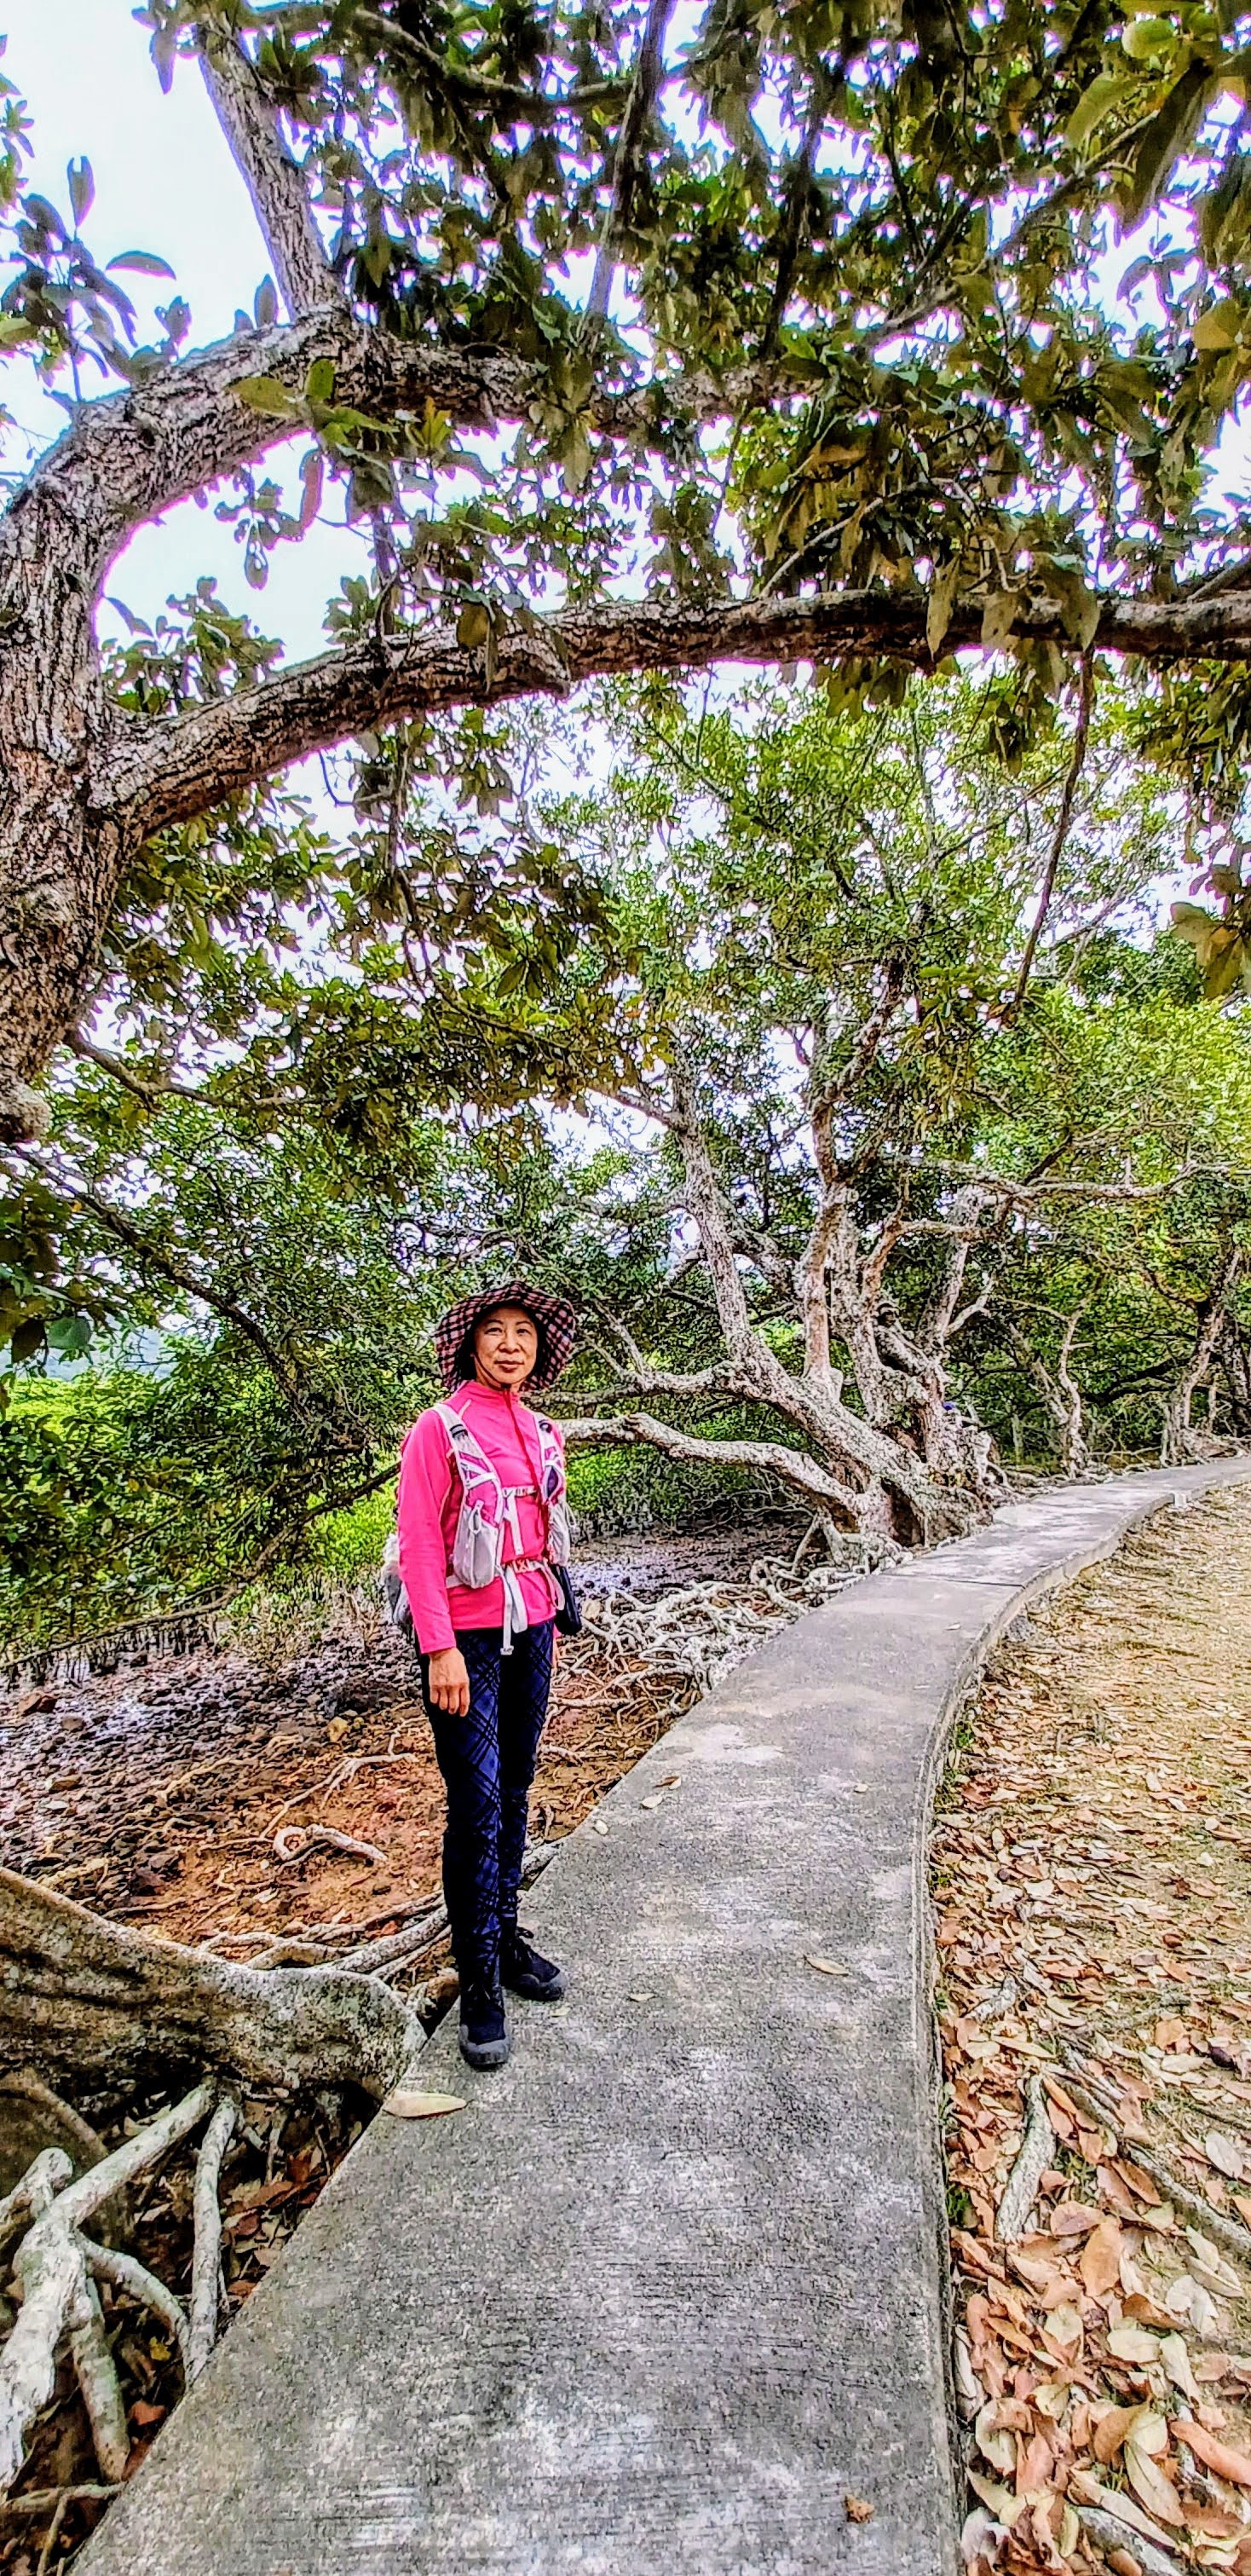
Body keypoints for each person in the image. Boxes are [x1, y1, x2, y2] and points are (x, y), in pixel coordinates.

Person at [396, 1279, 578, 2071]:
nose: (510, 1344)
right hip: (463, 1642)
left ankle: (505, 1941)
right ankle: (477, 1982)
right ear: (471, 1344)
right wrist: (437, 1647)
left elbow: (543, 1537)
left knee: (515, 1789)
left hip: (531, 1626)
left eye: (523, 1334)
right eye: (495, 1331)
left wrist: (552, 1621)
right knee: (474, 1806)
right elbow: (419, 1544)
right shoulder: (438, 1429)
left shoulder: (543, 1431)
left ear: (539, 1350)